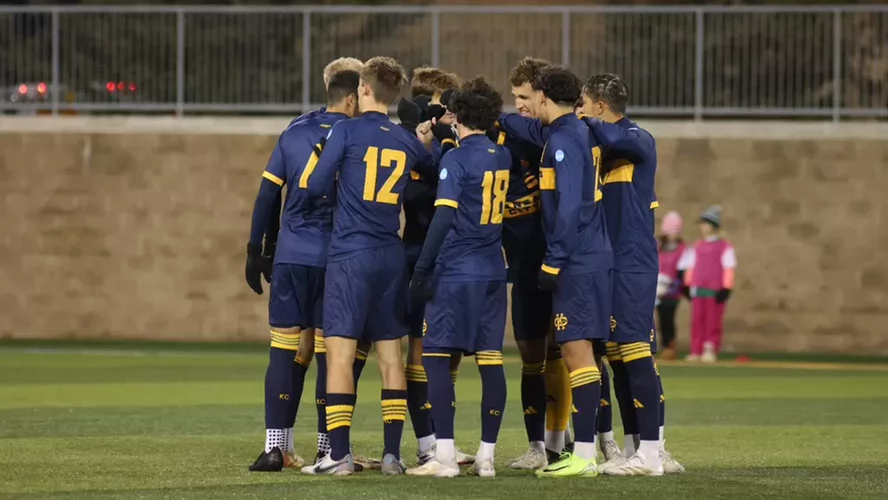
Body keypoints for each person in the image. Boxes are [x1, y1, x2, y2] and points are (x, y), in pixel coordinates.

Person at [301, 56, 437, 476]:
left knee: (339, 355)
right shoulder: (405, 140)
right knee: (390, 357)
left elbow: (314, 186)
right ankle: (393, 453)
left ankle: (338, 455)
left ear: (362, 89)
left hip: (350, 254)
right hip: (390, 256)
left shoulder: (344, 129)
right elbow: (433, 168)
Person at [243, 70, 360, 472]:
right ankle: (328, 450)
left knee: (282, 351)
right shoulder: (359, 135)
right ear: (351, 99)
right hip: (336, 260)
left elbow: (266, 194)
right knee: (331, 356)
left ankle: (274, 448)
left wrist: (257, 250)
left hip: (292, 257)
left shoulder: (294, 131)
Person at [499, 66, 612, 478]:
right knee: (580, 355)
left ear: (543, 96)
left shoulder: (564, 140)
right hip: (590, 257)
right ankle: (582, 451)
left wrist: (554, 259)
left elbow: (568, 207)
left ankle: (583, 456)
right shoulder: (571, 131)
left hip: (578, 261)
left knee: (577, 355)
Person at [404, 76, 511, 478]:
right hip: (492, 272)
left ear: (460, 118)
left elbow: (444, 217)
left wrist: (422, 269)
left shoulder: (458, 158)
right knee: (491, 361)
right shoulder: (501, 156)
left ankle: (444, 456)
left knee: (434, 358)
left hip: (457, 271)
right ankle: (486, 457)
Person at [578, 73, 683, 475]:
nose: (580, 110)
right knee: (621, 356)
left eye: (584, 103)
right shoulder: (600, 145)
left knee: (637, 353)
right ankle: (637, 446)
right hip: (612, 260)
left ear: (600, 106)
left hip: (633, 261)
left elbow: (618, 139)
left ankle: (653, 453)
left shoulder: (637, 137)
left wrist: (580, 121)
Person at [398, 67, 470, 467]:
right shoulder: (414, 146)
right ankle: (428, 442)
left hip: (450, 259)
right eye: (447, 103)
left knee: (449, 352)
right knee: (421, 351)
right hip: (418, 257)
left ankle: (443, 437)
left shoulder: (445, 143)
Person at [682, 205, 736, 363]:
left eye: (706, 223)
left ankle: (710, 348)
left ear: (713, 226)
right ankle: (696, 349)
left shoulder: (724, 246)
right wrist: (687, 284)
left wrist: (727, 287)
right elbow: (691, 266)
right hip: (698, 288)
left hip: (715, 289)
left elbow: (728, 267)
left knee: (713, 321)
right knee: (697, 320)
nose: (703, 227)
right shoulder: (697, 246)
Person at [657, 210, 686, 360]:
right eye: (670, 230)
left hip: (672, 291)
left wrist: (674, 286)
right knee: (660, 319)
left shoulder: (682, 249)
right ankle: (662, 346)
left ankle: (670, 346)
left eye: (675, 231)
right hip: (657, 290)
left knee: (669, 318)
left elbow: (682, 270)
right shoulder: (659, 246)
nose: (673, 234)